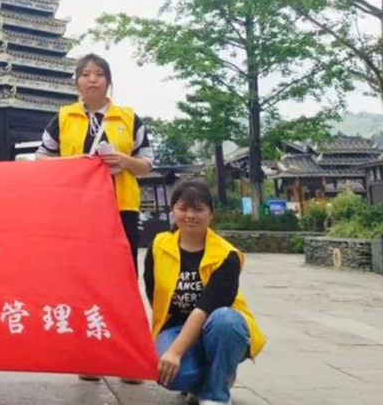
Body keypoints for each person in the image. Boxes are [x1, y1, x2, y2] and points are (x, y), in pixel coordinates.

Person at [36, 53, 154, 383]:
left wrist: (125, 161)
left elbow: (147, 163)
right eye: (85, 74)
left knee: (124, 281)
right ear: (76, 81)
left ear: (108, 80)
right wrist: (74, 165)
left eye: (99, 74)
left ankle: (129, 358)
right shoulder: (63, 118)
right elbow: (42, 158)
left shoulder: (128, 118)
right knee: (84, 282)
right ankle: (90, 355)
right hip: (78, 212)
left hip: (121, 208)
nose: (92, 79)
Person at [146, 180, 266, 405]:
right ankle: (207, 376)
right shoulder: (159, 245)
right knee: (172, 375)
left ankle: (216, 393)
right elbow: (153, 292)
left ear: (211, 214)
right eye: (183, 208)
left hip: (218, 326)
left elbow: (205, 308)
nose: (190, 215)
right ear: (172, 211)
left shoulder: (227, 255)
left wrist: (175, 352)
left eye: (198, 209)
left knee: (225, 321)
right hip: (175, 326)